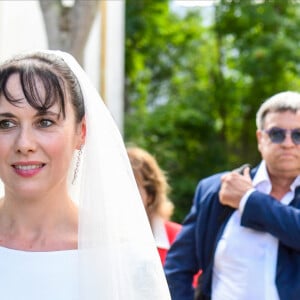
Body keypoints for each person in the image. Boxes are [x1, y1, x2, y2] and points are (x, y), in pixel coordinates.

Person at [0, 50, 171, 300]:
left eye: (45, 122)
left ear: (81, 132)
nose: (24, 143)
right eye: (6, 123)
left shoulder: (122, 257)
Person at [165, 91, 300, 300]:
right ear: (260, 138)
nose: (288, 143)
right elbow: (177, 267)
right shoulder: (215, 189)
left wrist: (248, 200)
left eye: (298, 135)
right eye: (277, 134)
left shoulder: (238, 192)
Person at [127, 146, 182, 265]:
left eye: (133, 188)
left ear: (151, 195)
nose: (124, 197)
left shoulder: (179, 238)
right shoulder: (100, 242)